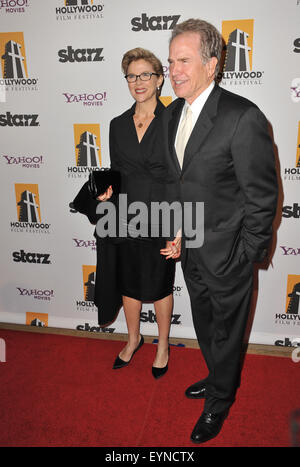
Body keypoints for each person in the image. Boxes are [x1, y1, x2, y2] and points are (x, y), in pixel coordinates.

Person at [162, 19, 278, 443]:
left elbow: (263, 198)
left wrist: (247, 254)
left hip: (230, 255)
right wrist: (176, 230)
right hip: (190, 250)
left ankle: (220, 402)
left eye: (184, 60)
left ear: (212, 64)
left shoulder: (242, 117)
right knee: (207, 326)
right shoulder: (173, 112)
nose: (174, 70)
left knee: (227, 334)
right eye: (171, 60)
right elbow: (180, 182)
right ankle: (217, 378)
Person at [98, 48, 179, 378]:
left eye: (146, 74)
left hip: (163, 214)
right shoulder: (117, 125)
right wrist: (105, 194)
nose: (139, 81)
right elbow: (116, 172)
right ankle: (133, 339)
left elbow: (183, 175)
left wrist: (180, 230)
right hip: (125, 215)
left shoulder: (175, 121)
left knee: (160, 286)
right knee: (128, 283)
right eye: (132, 75)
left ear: (160, 79)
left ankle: (162, 345)